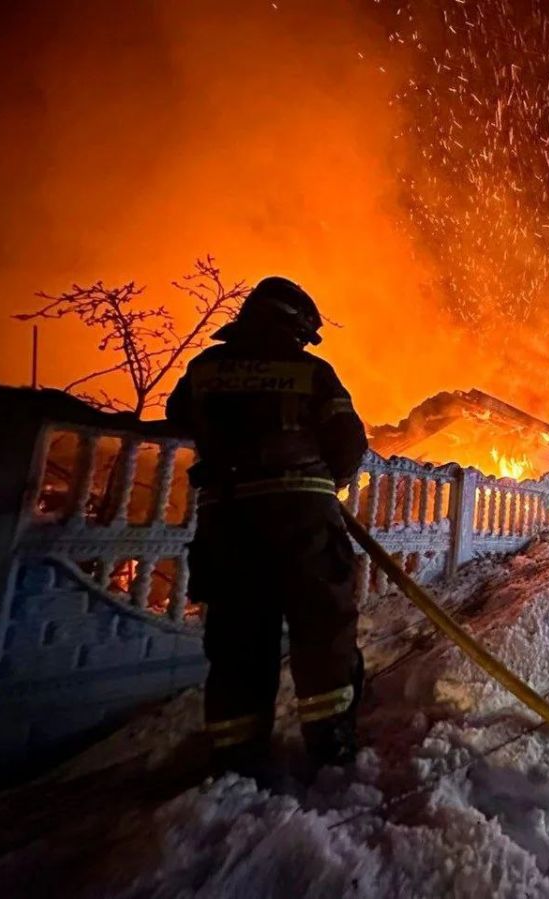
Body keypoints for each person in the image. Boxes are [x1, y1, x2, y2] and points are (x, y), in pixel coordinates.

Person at [166, 276, 368, 775]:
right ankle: (330, 741)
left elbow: (177, 421)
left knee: (238, 637)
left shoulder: (205, 369)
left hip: (230, 525)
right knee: (322, 628)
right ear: (295, 324)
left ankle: (236, 754)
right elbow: (347, 442)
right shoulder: (311, 371)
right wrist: (324, 485)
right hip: (304, 525)